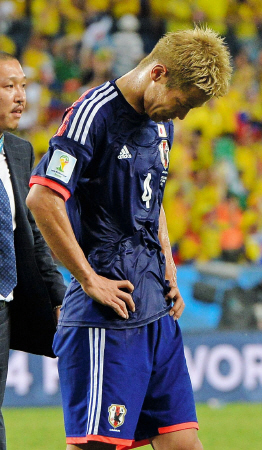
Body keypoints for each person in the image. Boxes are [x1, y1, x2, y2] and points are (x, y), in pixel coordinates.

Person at [26, 27, 232, 450]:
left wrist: (168, 266)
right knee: (97, 447)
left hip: (155, 309)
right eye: (184, 103)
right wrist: (88, 278)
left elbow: (151, 201)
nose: (182, 116)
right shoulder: (94, 114)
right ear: (158, 73)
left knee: (185, 444)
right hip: (107, 314)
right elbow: (43, 197)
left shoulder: (160, 125)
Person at [0, 51, 66, 449]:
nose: (20, 96)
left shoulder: (20, 151)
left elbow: (31, 233)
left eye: (23, 86)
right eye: (9, 86)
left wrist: (57, 296)